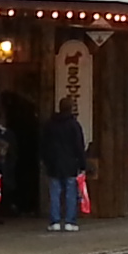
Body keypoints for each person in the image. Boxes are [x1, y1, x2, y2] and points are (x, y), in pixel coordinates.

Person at [41, 97, 89, 232]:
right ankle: (70, 221)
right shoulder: (74, 125)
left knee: (55, 193)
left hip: (53, 163)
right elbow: (79, 146)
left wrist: (46, 161)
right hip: (70, 163)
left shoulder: (50, 124)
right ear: (71, 108)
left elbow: (44, 144)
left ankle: (55, 221)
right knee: (70, 193)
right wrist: (83, 164)